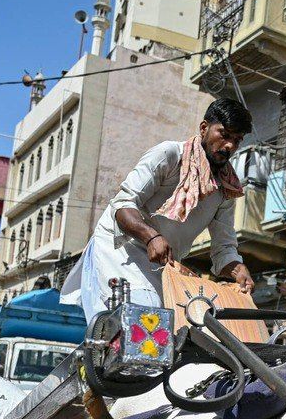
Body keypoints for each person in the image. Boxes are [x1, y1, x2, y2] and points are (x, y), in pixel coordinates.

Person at [60, 98, 256, 320]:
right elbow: (122, 205)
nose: (229, 146)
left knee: (175, 331)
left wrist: (238, 270)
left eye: (237, 140)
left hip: (164, 267)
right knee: (146, 319)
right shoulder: (169, 155)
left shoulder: (227, 188)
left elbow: (224, 249)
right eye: (224, 134)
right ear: (204, 128)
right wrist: (151, 237)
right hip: (120, 252)